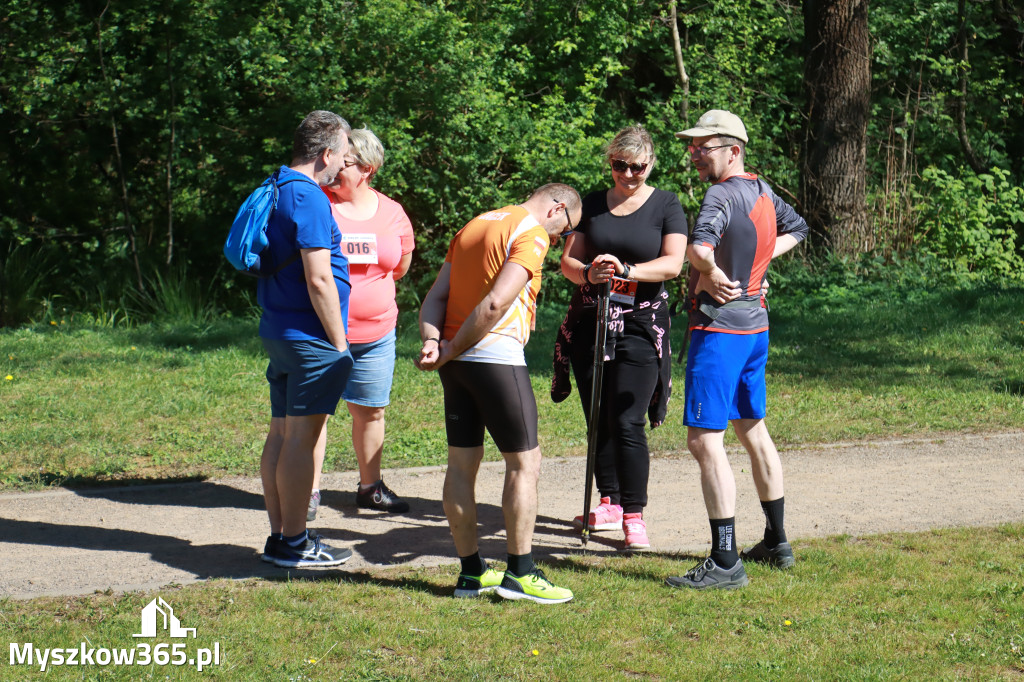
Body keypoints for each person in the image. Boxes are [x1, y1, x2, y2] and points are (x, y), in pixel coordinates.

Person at [418, 183, 581, 604]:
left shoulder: (476, 224)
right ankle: (520, 574)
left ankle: (471, 573)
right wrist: (453, 347)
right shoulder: (531, 232)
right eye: (566, 230)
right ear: (558, 208)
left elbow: (435, 296)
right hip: (495, 356)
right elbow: (495, 303)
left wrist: (434, 342)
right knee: (525, 463)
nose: (560, 239)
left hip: (455, 364)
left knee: (461, 464)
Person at [666, 109, 808, 590]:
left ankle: (725, 561)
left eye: (703, 148)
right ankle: (777, 541)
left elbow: (698, 248)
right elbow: (798, 228)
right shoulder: (763, 190)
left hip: (720, 332)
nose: (695, 156)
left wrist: (709, 272)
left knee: (704, 441)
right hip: (755, 329)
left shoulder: (721, 193)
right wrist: (757, 268)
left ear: (733, 150)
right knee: (752, 429)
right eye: (693, 148)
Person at [551, 125, 687, 551]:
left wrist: (627, 271)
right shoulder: (591, 203)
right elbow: (568, 262)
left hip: (641, 324)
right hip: (592, 318)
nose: (628, 174)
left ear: (651, 164)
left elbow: (673, 264)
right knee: (599, 417)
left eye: (637, 167)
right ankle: (607, 502)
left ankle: (634, 514)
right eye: (619, 165)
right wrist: (588, 272)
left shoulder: (666, 204)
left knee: (627, 419)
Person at [257, 110, 356, 568]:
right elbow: (319, 279)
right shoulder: (309, 197)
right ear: (326, 153)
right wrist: (340, 344)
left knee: (281, 433)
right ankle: (295, 542)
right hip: (311, 337)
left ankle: (281, 536)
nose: (345, 162)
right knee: (301, 439)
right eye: (344, 152)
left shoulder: (275, 186)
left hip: (279, 328)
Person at [305, 128, 415, 520]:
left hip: (377, 335)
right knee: (314, 413)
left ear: (367, 168)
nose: (333, 168)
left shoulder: (392, 212)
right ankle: (308, 492)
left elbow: (399, 267)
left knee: (370, 411)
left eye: (344, 162)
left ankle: (370, 487)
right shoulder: (317, 205)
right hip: (321, 334)